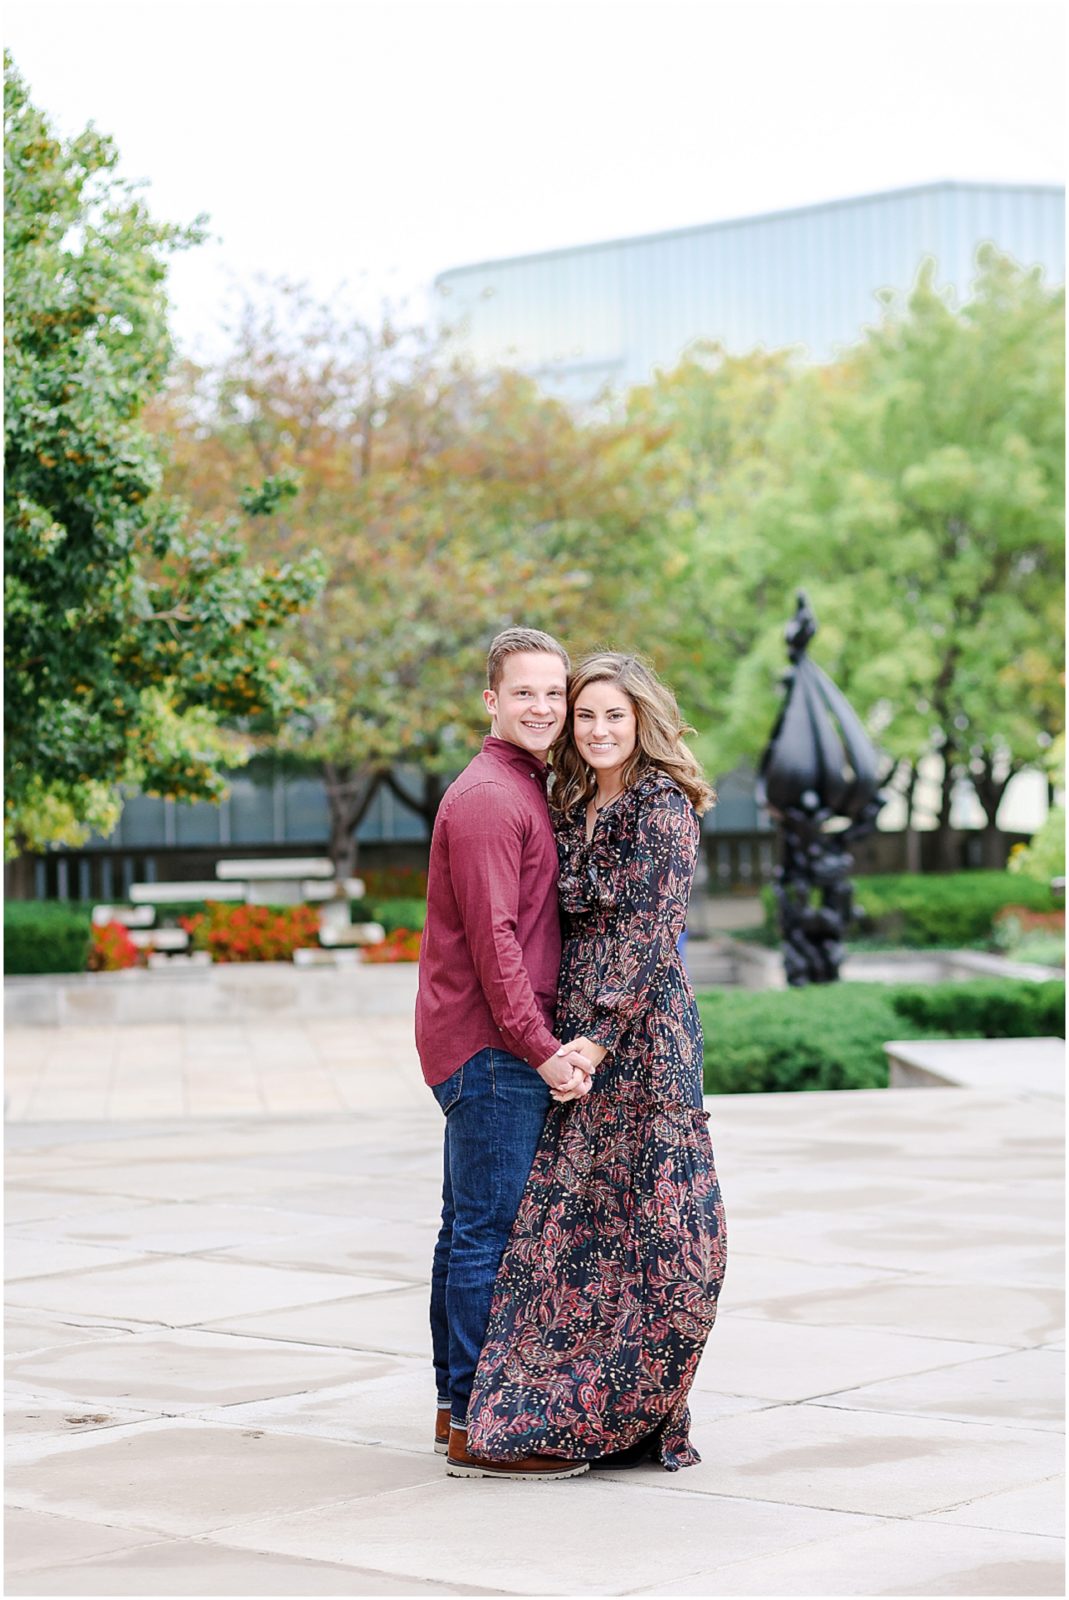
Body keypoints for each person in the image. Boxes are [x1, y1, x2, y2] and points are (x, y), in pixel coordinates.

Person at [464, 652, 728, 1472]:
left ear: (642, 719)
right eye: (586, 715)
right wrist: (556, 1037)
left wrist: (599, 1036)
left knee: (666, 1231)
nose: (598, 728)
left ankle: (642, 1408)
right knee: (579, 1230)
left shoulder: (661, 807)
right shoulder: (566, 798)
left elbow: (652, 934)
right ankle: (570, 1411)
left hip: (640, 1040)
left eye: (614, 714)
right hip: (570, 1036)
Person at [415, 627, 596, 1482]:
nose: (544, 708)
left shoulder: (519, 786)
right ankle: (490, 1429)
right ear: (490, 699)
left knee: (466, 1232)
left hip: (483, 1045)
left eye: (554, 695)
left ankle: (460, 1415)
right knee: (488, 1234)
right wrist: (543, 1049)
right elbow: (494, 944)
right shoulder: (491, 797)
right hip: (493, 1050)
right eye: (525, 693)